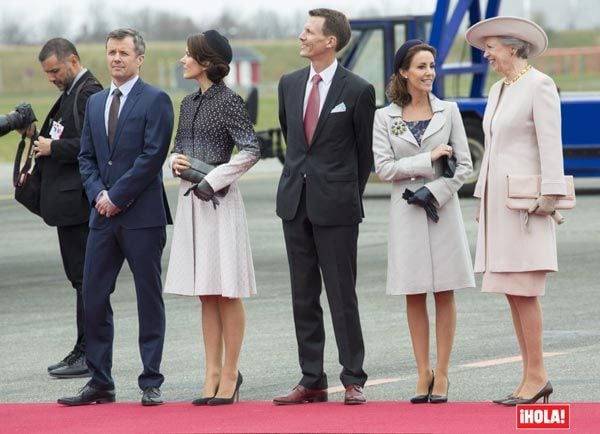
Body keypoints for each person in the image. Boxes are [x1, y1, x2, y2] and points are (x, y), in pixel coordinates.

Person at [57, 28, 174, 406]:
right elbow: (86, 158)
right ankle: (100, 381)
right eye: (111, 52)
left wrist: (118, 196)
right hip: (102, 217)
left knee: (148, 298)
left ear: (140, 58)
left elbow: (152, 156)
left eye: (124, 52)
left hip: (142, 216)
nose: (116, 58)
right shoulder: (95, 103)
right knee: (92, 296)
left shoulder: (156, 100)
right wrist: (98, 195)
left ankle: (150, 381)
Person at [273, 8, 375, 406]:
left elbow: (363, 155)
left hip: (337, 207)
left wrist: (342, 192)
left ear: (329, 41)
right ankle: (311, 379)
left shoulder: (357, 90)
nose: (301, 36)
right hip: (295, 204)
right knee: (303, 295)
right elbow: (293, 139)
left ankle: (353, 377)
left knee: (341, 295)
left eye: (309, 31)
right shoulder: (289, 84)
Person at [465, 16, 567, 405]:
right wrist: (481, 200)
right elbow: (492, 151)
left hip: (528, 208)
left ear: (512, 46)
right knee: (511, 290)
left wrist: (551, 195)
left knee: (525, 290)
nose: (486, 53)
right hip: (499, 206)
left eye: (490, 46)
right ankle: (530, 374)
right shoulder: (498, 89)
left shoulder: (538, 85)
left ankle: (538, 374)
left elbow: (550, 144)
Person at [372, 40, 475, 404]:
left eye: (431, 66)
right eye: (421, 67)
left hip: (442, 212)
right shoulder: (384, 117)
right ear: (403, 72)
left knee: (444, 291)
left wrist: (436, 192)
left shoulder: (450, 111)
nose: (429, 72)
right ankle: (422, 372)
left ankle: (443, 372)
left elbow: (464, 166)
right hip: (405, 213)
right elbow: (383, 168)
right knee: (414, 293)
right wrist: (425, 159)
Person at [164, 30, 260, 406]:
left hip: (220, 203)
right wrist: (176, 162)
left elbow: (251, 149)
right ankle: (211, 372)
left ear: (206, 62)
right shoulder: (187, 103)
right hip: (191, 203)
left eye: (188, 55)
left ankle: (231, 373)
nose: (182, 60)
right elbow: (177, 148)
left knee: (226, 291)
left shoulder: (230, 101)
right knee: (206, 292)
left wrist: (214, 179)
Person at [17, 38, 103, 378]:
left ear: (73, 60)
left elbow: (94, 143)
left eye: (54, 70)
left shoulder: (88, 93)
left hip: (79, 204)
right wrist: (38, 137)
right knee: (79, 280)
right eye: (47, 73)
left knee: (86, 280)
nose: (51, 77)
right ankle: (82, 348)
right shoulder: (71, 93)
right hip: (67, 205)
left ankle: (89, 352)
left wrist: (54, 147)